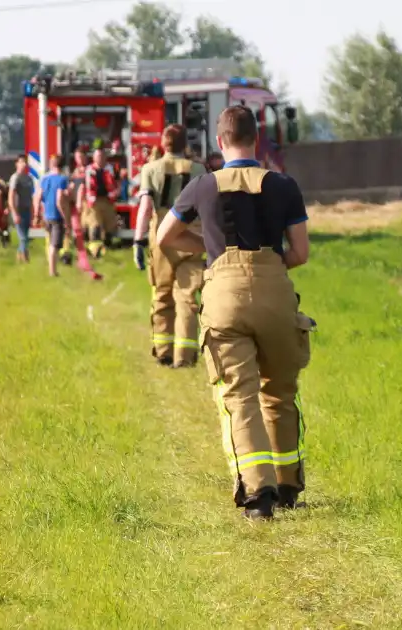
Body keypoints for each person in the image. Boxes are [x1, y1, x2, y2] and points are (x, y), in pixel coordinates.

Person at [156, 106, 314, 521]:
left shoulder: (201, 186)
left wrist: (208, 250)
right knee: (279, 391)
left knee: (239, 396)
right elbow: (300, 252)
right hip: (276, 294)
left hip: (222, 292)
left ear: (219, 141)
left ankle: (258, 495)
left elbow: (163, 236)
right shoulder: (284, 185)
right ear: (256, 140)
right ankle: (288, 485)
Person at [133, 124, 209, 368]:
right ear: (185, 144)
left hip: (162, 241)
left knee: (162, 295)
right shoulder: (199, 169)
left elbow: (145, 208)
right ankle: (184, 356)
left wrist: (137, 239)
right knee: (187, 297)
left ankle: (163, 351)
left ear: (163, 144)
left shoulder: (150, 169)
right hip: (192, 238)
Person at [33, 154, 71, 277]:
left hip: (46, 215)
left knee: (50, 243)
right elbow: (59, 199)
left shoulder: (45, 179)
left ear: (51, 164)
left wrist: (36, 214)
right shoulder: (62, 179)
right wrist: (65, 218)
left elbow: (38, 196)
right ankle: (52, 271)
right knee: (55, 245)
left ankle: (52, 268)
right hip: (56, 216)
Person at [83, 148, 118, 259]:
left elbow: (117, 181)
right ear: (94, 158)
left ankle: (107, 247)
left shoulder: (111, 169)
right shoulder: (89, 170)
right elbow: (87, 185)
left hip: (108, 200)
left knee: (109, 225)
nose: (100, 159)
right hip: (94, 201)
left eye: (102, 156)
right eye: (98, 156)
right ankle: (95, 251)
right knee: (95, 225)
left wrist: (116, 192)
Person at [7, 154, 36, 263]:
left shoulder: (29, 178)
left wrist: (33, 213)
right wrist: (14, 213)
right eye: (21, 162)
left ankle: (19, 256)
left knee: (25, 237)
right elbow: (11, 196)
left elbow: (31, 197)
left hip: (27, 209)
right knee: (23, 237)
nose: (24, 164)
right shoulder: (15, 178)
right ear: (17, 164)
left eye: (25, 162)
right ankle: (25, 259)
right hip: (18, 210)